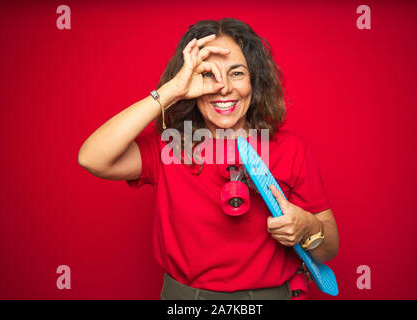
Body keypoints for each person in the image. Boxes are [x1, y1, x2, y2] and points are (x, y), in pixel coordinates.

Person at [78, 18, 339, 300]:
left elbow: (329, 248)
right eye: (207, 74)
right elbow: (92, 158)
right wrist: (170, 92)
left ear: (255, 80)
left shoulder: (291, 149)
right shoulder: (170, 145)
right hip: (186, 300)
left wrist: (307, 226)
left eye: (237, 73)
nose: (223, 87)